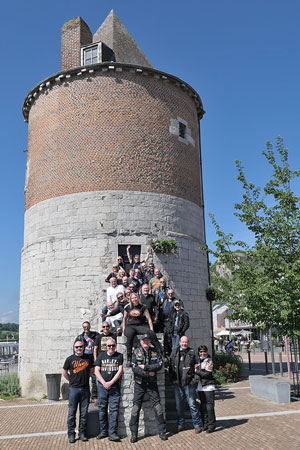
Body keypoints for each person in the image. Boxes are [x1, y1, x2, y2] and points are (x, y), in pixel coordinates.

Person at [129, 334, 167, 443]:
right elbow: (134, 367)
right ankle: (134, 434)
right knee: (135, 408)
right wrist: (147, 373)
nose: (145, 342)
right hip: (139, 384)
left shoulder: (155, 351)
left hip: (152, 384)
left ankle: (162, 432)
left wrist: (146, 367)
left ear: (149, 341)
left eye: (147, 340)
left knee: (158, 407)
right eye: (144, 340)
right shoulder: (136, 351)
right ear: (141, 341)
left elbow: (159, 364)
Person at [62, 338, 94, 443]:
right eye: (77, 347)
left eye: (80, 347)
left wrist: (85, 379)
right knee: (72, 413)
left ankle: (82, 433)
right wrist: (71, 380)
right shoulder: (69, 359)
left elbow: (91, 371)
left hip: (85, 389)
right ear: (74, 348)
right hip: (73, 390)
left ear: (83, 348)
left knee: (84, 413)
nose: (79, 348)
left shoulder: (88, 358)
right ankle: (71, 434)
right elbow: (64, 372)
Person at [169, 336, 202, 433]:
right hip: (177, 383)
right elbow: (170, 367)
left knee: (192, 404)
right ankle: (180, 424)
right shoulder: (174, 352)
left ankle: (197, 425)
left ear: (188, 343)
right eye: (183, 342)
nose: (184, 344)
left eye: (186, 342)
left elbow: (198, 367)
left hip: (189, 383)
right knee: (179, 405)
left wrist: (194, 379)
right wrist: (172, 379)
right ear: (179, 342)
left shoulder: (192, 352)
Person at [95, 338, 123, 442]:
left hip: (114, 387)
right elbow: (96, 371)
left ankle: (113, 433)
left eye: (113, 345)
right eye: (109, 346)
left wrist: (111, 383)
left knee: (114, 410)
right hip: (102, 387)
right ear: (106, 347)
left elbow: (120, 371)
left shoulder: (119, 356)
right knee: (102, 408)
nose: (111, 347)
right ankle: (103, 431)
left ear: (115, 346)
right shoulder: (101, 356)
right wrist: (104, 383)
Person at [122, 293, 161, 366]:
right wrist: (123, 330)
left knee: (151, 334)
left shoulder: (143, 307)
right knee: (129, 337)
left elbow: (149, 319)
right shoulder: (127, 307)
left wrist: (151, 329)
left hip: (140, 326)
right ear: (130, 299)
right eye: (132, 298)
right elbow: (124, 319)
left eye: (135, 297)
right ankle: (129, 358)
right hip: (130, 326)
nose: (134, 299)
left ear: (138, 298)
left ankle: (160, 353)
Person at [195, 345, 216, 433]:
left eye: (204, 351)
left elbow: (207, 374)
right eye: (201, 352)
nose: (202, 353)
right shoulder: (198, 360)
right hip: (200, 387)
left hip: (208, 386)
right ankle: (205, 424)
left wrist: (196, 370)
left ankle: (212, 425)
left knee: (209, 407)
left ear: (207, 352)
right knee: (202, 406)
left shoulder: (209, 361)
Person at [79, 321, 99, 400]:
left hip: (93, 357)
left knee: (94, 377)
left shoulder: (95, 335)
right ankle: (85, 396)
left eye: (87, 327)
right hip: (85, 358)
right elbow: (76, 348)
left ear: (90, 327)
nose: (86, 328)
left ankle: (94, 396)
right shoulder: (80, 337)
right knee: (85, 377)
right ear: (83, 328)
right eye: (84, 327)